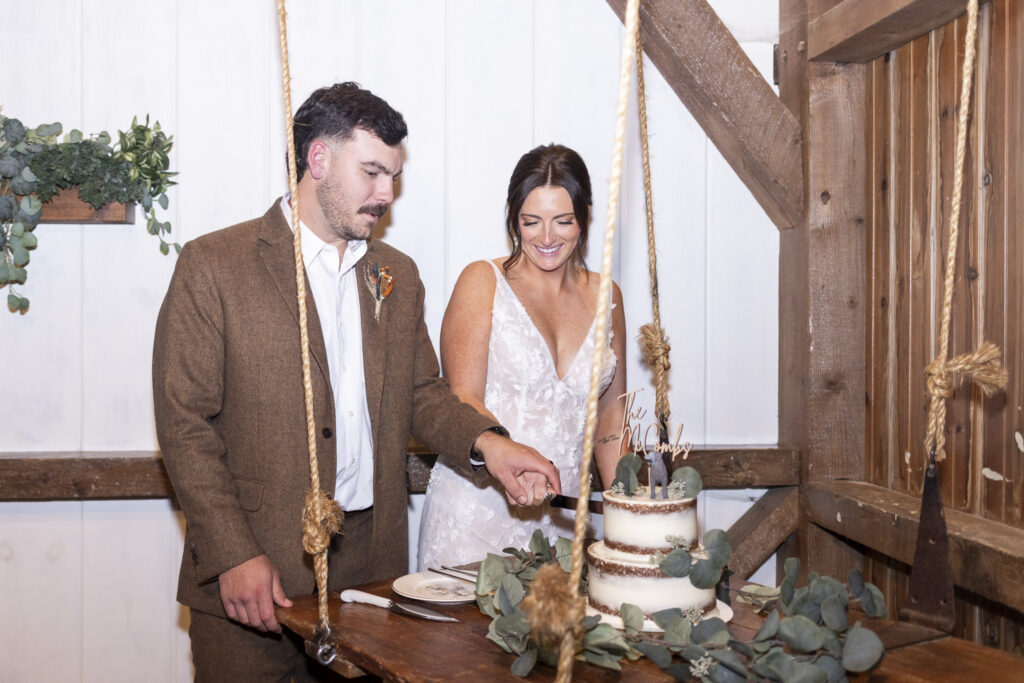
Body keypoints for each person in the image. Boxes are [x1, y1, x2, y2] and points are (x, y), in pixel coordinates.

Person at [152, 82, 560, 682]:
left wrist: (489, 445)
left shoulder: (397, 274)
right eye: (371, 173)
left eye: (393, 176)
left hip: (372, 578)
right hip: (253, 577)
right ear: (317, 158)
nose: (386, 194)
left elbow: (422, 393)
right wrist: (233, 553)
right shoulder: (214, 265)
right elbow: (184, 424)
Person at [418, 144, 627, 570]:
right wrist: (507, 456)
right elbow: (463, 400)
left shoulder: (607, 295)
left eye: (563, 221)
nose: (547, 238)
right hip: (477, 511)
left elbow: (611, 418)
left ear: (585, 216)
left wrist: (628, 510)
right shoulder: (482, 281)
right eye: (531, 222)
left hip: (562, 518)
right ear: (513, 218)